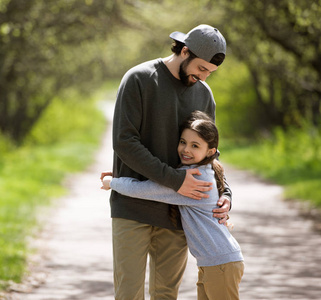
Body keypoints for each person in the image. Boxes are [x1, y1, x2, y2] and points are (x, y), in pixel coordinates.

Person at [103, 24, 232, 299]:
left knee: (166, 294)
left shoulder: (204, 94)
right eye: (201, 68)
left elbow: (208, 155)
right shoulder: (139, 79)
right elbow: (124, 142)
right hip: (132, 208)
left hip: (176, 213)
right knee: (128, 293)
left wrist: (225, 194)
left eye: (210, 72)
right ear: (184, 51)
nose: (205, 76)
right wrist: (176, 180)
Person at [102, 111, 244, 300]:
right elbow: (160, 178)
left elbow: (146, 190)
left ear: (210, 152)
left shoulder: (195, 180)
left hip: (220, 265)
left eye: (195, 146)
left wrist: (113, 183)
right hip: (215, 263)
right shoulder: (200, 170)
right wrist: (121, 172)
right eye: (183, 142)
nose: (186, 149)